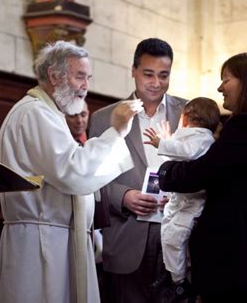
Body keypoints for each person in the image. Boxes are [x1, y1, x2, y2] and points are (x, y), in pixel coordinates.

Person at [0, 41, 143, 303]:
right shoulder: (35, 113)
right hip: (42, 244)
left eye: (88, 77)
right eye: (79, 76)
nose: (86, 85)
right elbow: (73, 171)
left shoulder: (49, 114)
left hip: (55, 238)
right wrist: (116, 131)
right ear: (54, 75)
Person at [158, 51, 247, 303]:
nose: (220, 87)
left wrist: (165, 172)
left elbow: (203, 172)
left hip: (235, 253)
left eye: (226, 79)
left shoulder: (246, 125)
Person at [89, 38, 187, 303]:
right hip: (126, 237)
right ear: (133, 70)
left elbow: (206, 171)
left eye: (163, 75)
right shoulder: (103, 119)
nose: (156, 82)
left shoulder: (188, 114)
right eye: (148, 74)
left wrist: (182, 194)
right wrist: (123, 197)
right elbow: (90, 181)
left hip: (178, 235)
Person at [144, 97, 221, 302]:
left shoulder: (202, 137)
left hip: (192, 204)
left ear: (186, 118)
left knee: (176, 238)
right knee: (168, 234)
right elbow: (177, 162)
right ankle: (171, 275)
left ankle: (180, 282)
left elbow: (188, 152)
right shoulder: (187, 137)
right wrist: (168, 144)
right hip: (179, 201)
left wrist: (164, 143)